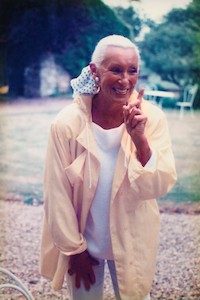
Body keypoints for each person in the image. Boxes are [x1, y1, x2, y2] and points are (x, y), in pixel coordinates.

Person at [40, 35, 177, 300]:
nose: (125, 80)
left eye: (132, 70)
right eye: (115, 69)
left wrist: (141, 141)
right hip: (84, 246)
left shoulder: (152, 118)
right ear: (94, 71)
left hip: (132, 241)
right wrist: (73, 250)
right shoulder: (66, 124)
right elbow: (56, 194)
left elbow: (158, 186)